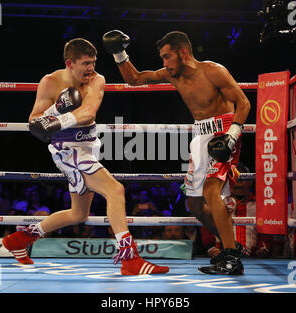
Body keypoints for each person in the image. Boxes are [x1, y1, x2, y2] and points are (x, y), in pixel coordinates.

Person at [2, 38, 168, 276]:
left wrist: (57, 119)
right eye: (86, 63)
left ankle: (20, 238)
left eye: (94, 62)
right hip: (68, 149)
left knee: (78, 214)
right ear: (70, 63)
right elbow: (34, 121)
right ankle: (130, 259)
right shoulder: (50, 82)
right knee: (115, 190)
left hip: (89, 145)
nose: (91, 69)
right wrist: (55, 109)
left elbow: (89, 111)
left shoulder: (96, 79)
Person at [103, 30, 250, 275]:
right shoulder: (173, 74)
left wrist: (232, 137)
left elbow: (243, 103)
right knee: (193, 204)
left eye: (167, 56)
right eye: (162, 58)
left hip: (223, 132)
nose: (164, 63)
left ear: (183, 52)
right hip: (200, 136)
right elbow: (136, 79)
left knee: (212, 190)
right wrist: (119, 53)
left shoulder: (214, 71)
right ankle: (230, 246)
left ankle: (231, 257)